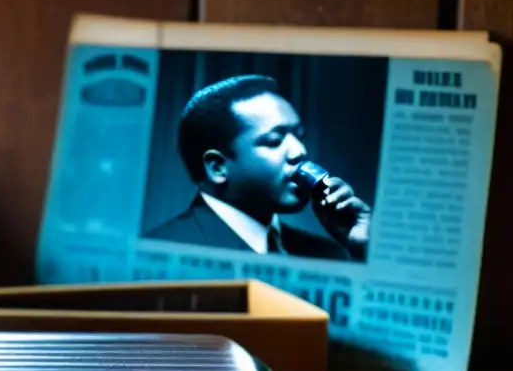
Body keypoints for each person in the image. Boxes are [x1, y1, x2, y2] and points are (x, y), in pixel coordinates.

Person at [147, 75, 370, 261]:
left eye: (298, 136)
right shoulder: (160, 253)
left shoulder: (331, 254)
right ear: (217, 167)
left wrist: (363, 247)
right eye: (274, 140)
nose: (300, 150)